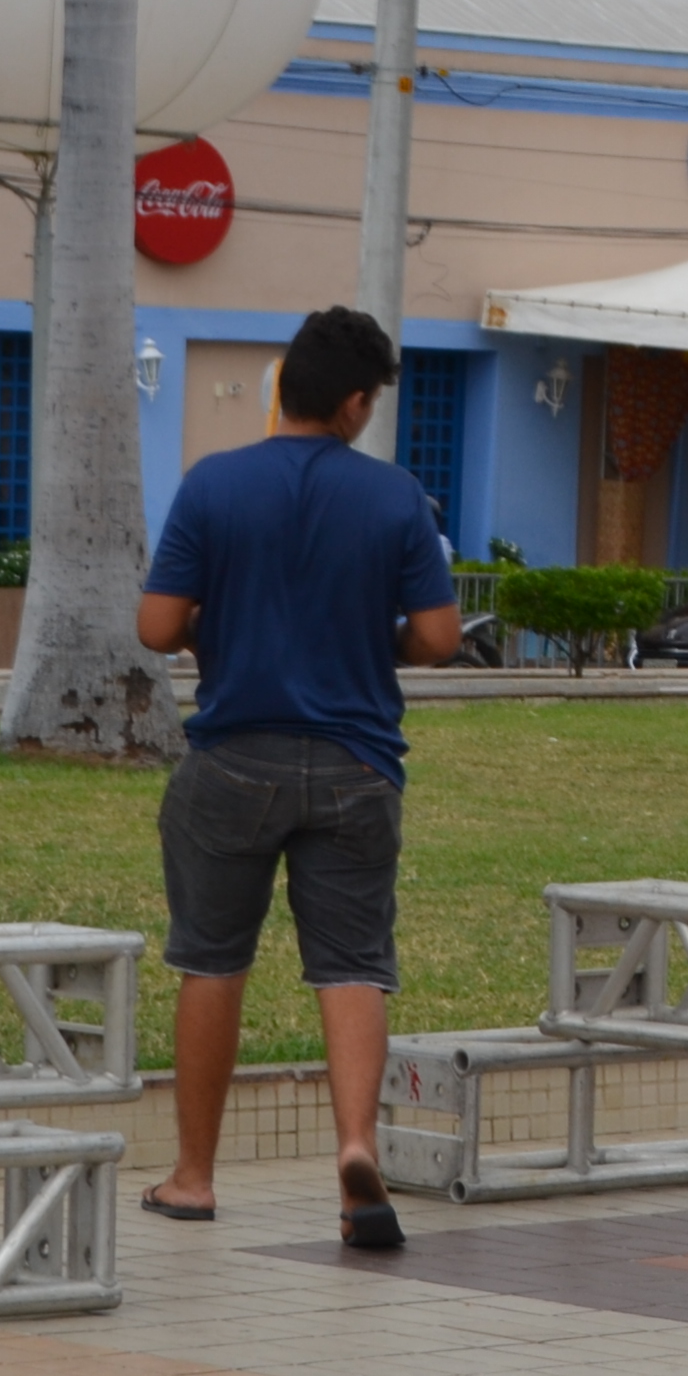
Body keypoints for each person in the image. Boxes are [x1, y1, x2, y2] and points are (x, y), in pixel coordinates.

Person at [136, 307, 462, 1252]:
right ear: (355, 404)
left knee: (211, 957)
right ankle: (357, 1150)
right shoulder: (395, 499)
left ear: (282, 386)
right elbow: (439, 638)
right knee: (354, 965)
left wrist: (216, 629)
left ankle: (193, 1179)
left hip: (233, 760)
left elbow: (157, 627)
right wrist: (373, 640)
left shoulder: (214, 485)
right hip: (359, 767)